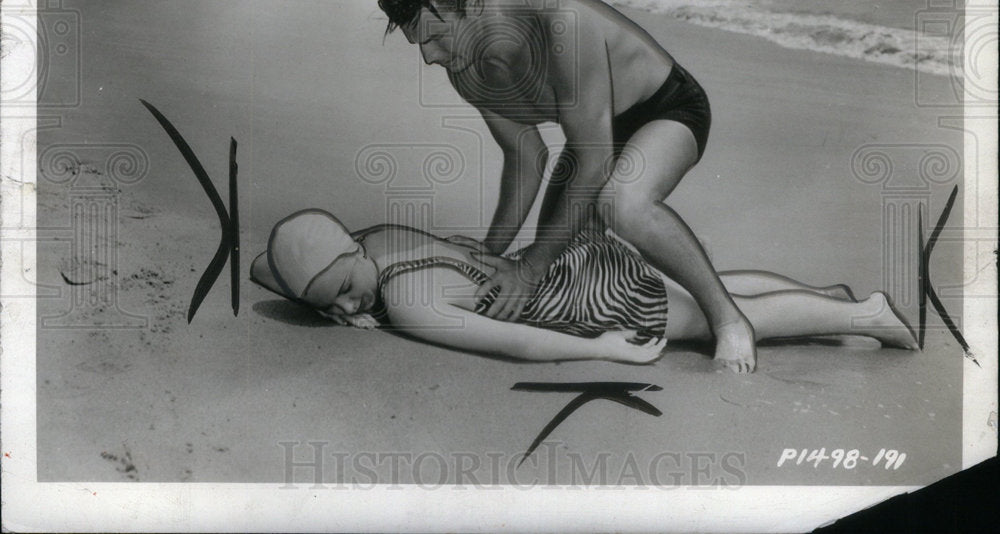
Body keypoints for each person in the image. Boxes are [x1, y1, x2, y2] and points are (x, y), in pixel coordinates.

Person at [378, 0, 757, 371]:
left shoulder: (560, 24)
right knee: (582, 272)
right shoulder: (465, 68)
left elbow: (595, 163)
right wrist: (490, 254)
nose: (429, 56)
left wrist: (529, 268)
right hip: (594, 139)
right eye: (418, 43)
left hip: (667, 110)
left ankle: (731, 320)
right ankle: (701, 269)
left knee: (622, 204)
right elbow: (526, 157)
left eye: (434, 35)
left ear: (473, 2)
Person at [249, 210, 918, 364]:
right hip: (569, 260)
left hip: (581, 304)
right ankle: (825, 300)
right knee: (714, 287)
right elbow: (274, 265)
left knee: (722, 318)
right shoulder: (375, 241)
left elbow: (513, 344)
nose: (343, 304)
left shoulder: (410, 303)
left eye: (340, 287)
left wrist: (611, 351)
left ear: (346, 252)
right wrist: (331, 303)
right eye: (326, 303)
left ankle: (865, 315)